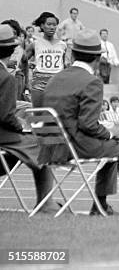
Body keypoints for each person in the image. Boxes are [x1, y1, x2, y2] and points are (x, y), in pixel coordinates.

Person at [42, 29, 119, 216]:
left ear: (74, 53)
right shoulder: (91, 82)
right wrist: (111, 133)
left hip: (50, 147)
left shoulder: (55, 78)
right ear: (96, 59)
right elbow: (88, 124)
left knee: (112, 146)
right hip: (74, 146)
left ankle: (100, 205)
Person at [0, 24, 59, 214]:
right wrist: (21, 127)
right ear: (12, 49)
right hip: (4, 139)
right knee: (45, 143)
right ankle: (46, 203)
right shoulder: (6, 78)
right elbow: (6, 117)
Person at [24, 12, 67, 107]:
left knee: (56, 112)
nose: (52, 27)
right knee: (38, 113)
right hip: (39, 83)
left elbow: (63, 65)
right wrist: (27, 75)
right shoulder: (35, 44)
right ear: (42, 26)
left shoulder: (63, 45)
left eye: (54, 25)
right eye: (49, 24)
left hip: (57, 82)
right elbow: (22, 60)